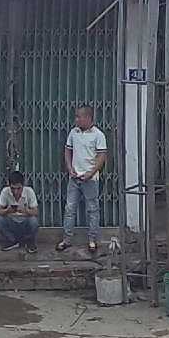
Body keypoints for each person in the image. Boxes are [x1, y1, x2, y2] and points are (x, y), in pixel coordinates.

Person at [58, 105, 108, 252]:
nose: (76, 119)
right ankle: (66, 239)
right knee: (69, 209)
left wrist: (91, 173)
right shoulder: (74, 132)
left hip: (90, 179)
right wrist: (69, 168)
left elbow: (101, 156)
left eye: (79, 117)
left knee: (92, 209)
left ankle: (92, 240)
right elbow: (67, 150)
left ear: (88, 117)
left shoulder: (98, 135)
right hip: (74, 178)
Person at [0, 171, 40, 253]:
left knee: (34, 221)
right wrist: (7, 210)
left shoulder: (29, 191)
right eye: (13, 188)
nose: (15, 192)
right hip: (11, 221)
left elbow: (36, 212)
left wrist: (26, 210)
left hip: (25, 222)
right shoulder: (5, 191)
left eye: (18, 188)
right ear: (9, 185)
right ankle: (11, 240)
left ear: (23, 185)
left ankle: (29, 242)